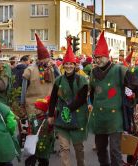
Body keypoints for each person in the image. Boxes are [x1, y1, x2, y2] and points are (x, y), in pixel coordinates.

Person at [88, 31, 138, 166]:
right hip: (99, 117)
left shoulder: (120, 70)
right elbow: (92, 92)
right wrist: (90, 103)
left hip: (115, 118)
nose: (98, 59)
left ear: (108, 57)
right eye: (96, 57)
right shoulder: (93, 73)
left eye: (101, 56)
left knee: (115, 150)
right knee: (100, 149)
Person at [48, 37, 88, 166]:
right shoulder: (58, 81)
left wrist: (68, 108)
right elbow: (53, 98)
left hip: (78, 117)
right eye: (66, 64)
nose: (69, 66)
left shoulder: (81, 80)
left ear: (75, 65)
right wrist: (50, 115)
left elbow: (82, 99)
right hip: (62, 120)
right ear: (63, 65)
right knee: (64, 148)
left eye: (71, 64)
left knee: (78, 148)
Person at [21, 33, 60, 115]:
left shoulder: (52, 68)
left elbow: (60, 80)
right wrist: (22, 104)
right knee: (35, 127)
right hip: (33, 107)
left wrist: (56, 67)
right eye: (45, 59)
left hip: (49, 106)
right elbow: (23, 90)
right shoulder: (29, 70)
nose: (47, 61)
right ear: (39, 59)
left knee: (49, 127)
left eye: (48, 59)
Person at [25, 96, 54, 166]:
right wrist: (28, 133)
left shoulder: (48, 120)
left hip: (43, 143)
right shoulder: (33, 118)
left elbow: (51, 130)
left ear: (43, 110)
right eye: (35, 107)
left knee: (43, 160)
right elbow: (30, 127)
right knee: (30, 160)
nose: (35, 109)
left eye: (37, 108)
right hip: (33, 143)